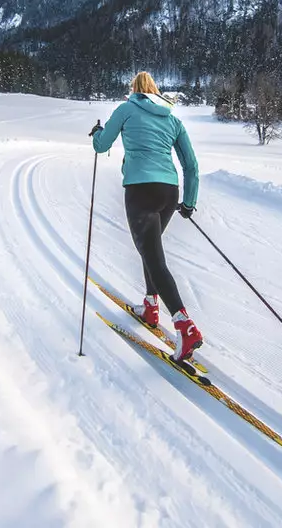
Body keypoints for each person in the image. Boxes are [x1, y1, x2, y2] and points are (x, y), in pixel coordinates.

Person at [90, 71, 203, 361]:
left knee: (153, 256)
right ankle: (151, 306)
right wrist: (188, 203)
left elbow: (102, 145)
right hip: (169, 192)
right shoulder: (173, 119)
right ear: (156, 91)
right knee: (150, 250)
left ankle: (184, 325)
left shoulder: (126, 109)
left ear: (135, 90)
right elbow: (191, 165)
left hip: (140, 190)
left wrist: (97, 133)